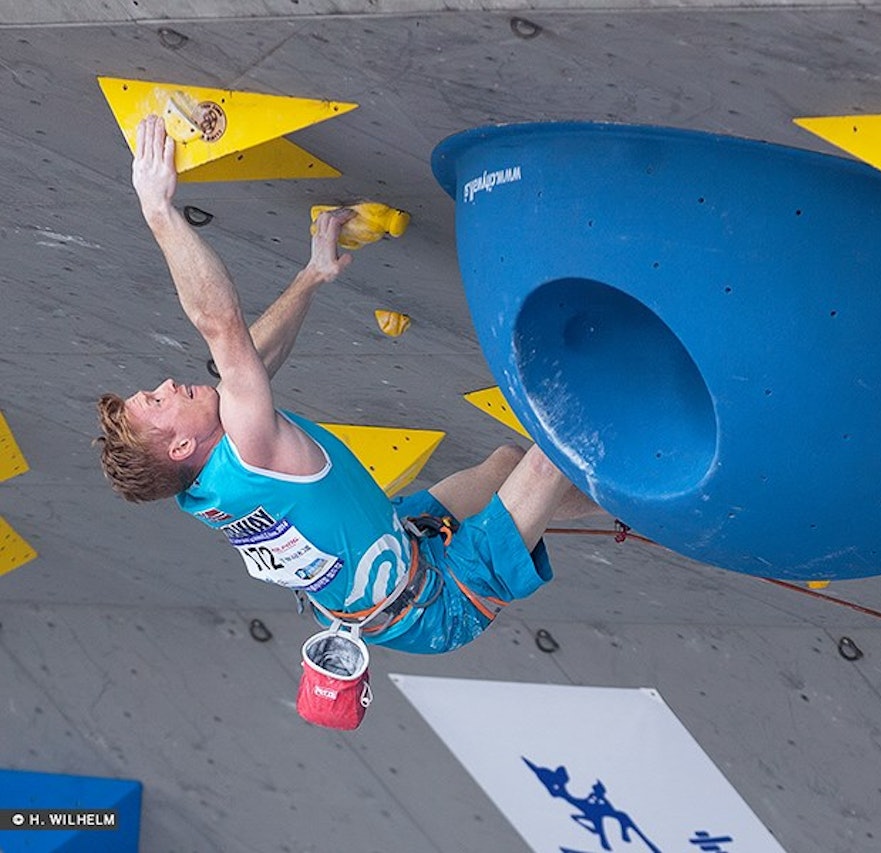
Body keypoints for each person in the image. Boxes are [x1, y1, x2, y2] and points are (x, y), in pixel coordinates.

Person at [95, 115, 600, 654]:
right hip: (437, 604)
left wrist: (312, 275)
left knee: (503, 464)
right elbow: (222, 326)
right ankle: (664, 474)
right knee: (551, 450)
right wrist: (158, 210)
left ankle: (624, 503)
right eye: (156, 401)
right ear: (178, 445)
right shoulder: (249, 449)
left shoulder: (196, 488)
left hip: (396, 551)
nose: (167, 384)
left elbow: (248, 363)